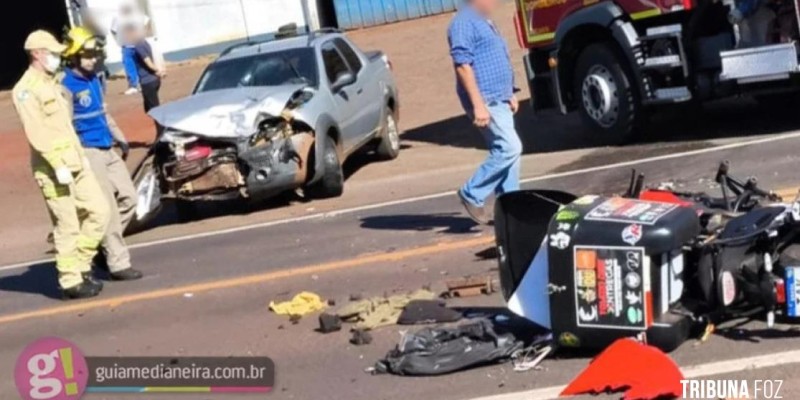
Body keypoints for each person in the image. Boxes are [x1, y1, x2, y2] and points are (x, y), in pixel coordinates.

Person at [12, 30, 110, 299]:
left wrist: (80, 161)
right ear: (37, 54)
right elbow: (38, 133)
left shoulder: (52, 83)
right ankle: (70, 281)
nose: (57, 58)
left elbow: (65, 128)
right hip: (53, 170)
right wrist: (58, 165)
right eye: (53, 53)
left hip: (76, 163)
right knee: (67, 225)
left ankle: (80, 264)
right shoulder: (26, 91)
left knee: (99, 212)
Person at [62, 26, 144, 282]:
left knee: (130, 198)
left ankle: (99, 242)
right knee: (105, 206)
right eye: (88, 55)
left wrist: (120, 138)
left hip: (107, 147)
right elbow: (65, 125)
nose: (93, 59)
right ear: (74, 56)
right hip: (88, 151)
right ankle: (118, 262)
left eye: (95, 54)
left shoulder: (96, 79)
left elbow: (103, 113)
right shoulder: (65, 85)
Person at [447, 0, 521, 224]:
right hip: (486, 99)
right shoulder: (463, 22)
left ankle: (510, 211)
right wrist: (478, 104)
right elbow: (462, 64)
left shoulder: (484, 21)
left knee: (511, 156)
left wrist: (510, 91)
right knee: (510, 148)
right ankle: (472, 193)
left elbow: (496, 57)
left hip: (499, 97)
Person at [131, 27, 166, 137]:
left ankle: (162, 133)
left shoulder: (138, 46)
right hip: (153, 80)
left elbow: (147, 61)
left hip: (148, 82)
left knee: (154, 110)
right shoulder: (145, 42)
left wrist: (157, 70)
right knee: (149, 108)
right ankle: (161, 131)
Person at [110, 0, 149, 95]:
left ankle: (141, 84)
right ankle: (134, 85)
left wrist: (143, 34)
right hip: (127, 45)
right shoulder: (118, 18)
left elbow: (147, 21)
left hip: (138, 44)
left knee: (141, 64)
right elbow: (113, 30)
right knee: (130, 65)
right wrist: (118, 41)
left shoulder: (137, 16)